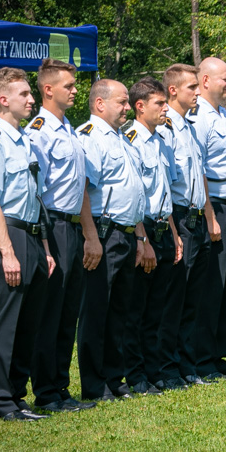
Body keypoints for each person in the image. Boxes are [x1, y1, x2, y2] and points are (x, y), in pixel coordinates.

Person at [0, 67, 55, 421]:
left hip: (34, 235)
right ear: (4, 100)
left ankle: (19, 396)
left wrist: (47, 251)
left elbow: (36, 196)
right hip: (11, 235)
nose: (32, 99)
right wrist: (7, 253)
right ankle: (2, 401)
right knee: (7, 322)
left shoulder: (26, 140)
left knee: (29, 323)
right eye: (24, 94)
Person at [27, 58, 99, 413]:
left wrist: (89, 233)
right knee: (50, 312)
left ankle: (60, 386)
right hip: (51, 225)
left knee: (68, 311)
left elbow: (80, 188)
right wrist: (44, 240)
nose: (75, 90)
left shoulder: (70, 130)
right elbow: (36, 192)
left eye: (75, 85)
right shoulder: (39, 132)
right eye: (68, 86)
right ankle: (45, 391)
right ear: (48, 89)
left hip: (71, 226)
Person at [76, 79, 147, 402]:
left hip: (126, 233)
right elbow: (82, 193)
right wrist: (92, 237)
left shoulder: (122, 139)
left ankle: (114, 378)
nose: (128, 107)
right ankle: (94, 384)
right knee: (96, 312)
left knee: (119, 312)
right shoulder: (90, 139)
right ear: (100, 104)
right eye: (121, 102)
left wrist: (140, 235)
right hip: (103, 234)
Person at [158, 63, 221, 386]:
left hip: (197, 218)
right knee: (174, 298)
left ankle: (187, 365)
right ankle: (168, 369)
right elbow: (164, 186)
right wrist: (173, 230)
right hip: (179, 218)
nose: (198, 93)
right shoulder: (165, 128)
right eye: (191, 88)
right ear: (173, 91)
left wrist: (210, 217)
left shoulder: (190, 126)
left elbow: (201, 179)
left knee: (193, 298)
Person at [121, 77, 182, 395]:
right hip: (142, 232)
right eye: (159, 103)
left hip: (163, 230)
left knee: (158, 309)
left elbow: (164, 192)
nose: (165, 108)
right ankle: (136, 374)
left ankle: (155, 369)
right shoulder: (129, 139)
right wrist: (142, 240)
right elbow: (135, 196)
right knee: (137, 310)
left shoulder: (161, 139)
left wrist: (174, 232)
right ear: (140, 106)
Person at [190, 57, 226, 379]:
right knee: (213, 285)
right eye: (224, 79)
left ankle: (217, 355)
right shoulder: (199, 118)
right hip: (217, 211)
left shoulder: (224, 116)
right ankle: (202, 357)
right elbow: (197, 170)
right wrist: (210, 215)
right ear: (205, 81)